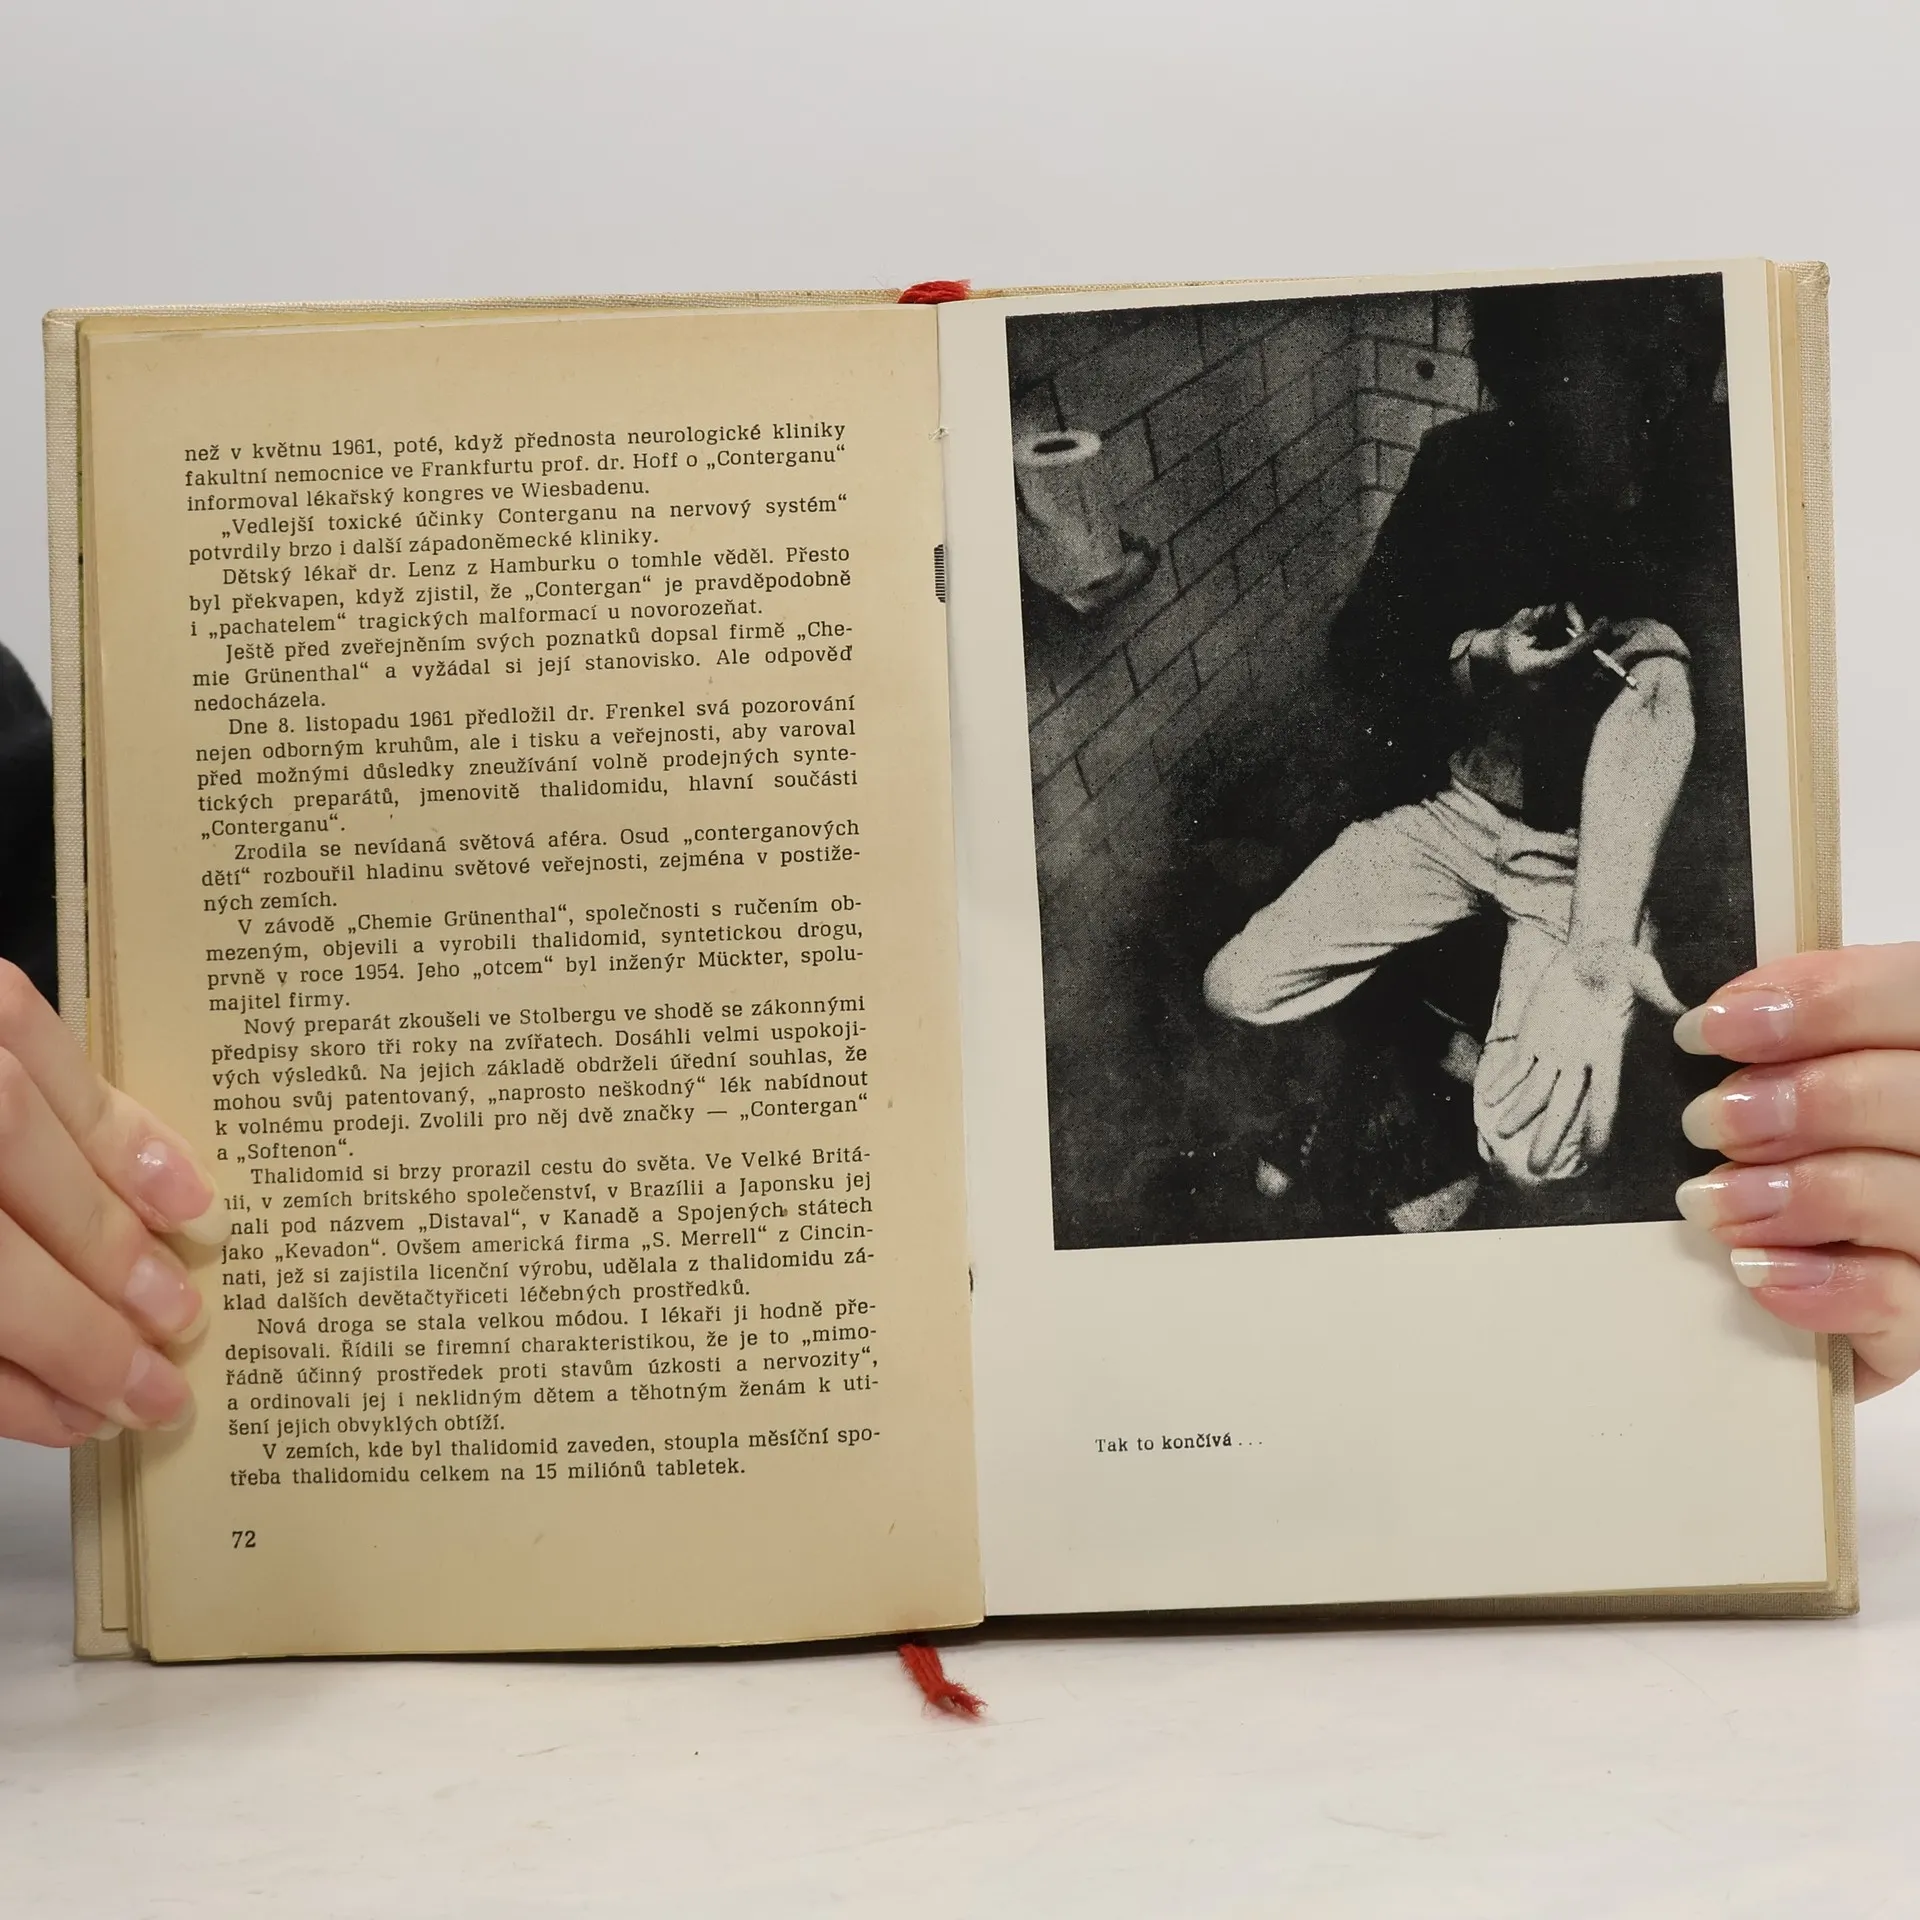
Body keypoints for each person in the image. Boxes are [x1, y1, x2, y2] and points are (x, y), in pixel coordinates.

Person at [1205, 276, 1744, 1209]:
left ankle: (1457, 1098)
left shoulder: (1723, 483)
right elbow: (1359, 648)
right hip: (1450, 813)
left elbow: (1714, 738)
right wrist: (1482, 658)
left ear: (1663, 381)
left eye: (1621, 399)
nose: (1583, 446)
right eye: (1540, 401)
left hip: (1589, 858)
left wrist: (1609, 935)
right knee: (1239, 984)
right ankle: (1420, 1070)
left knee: (1535, 1154)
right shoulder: (1462, 463)